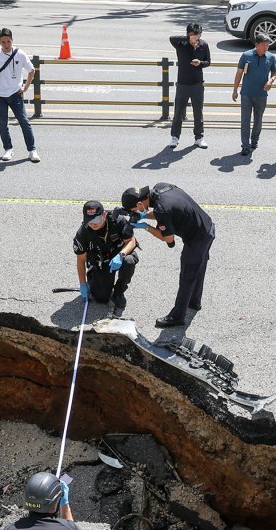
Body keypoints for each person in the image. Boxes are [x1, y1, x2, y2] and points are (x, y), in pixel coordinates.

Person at [122, 183, 215, 329]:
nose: (135, 213)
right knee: (199, 266)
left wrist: (146, 226)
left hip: (197, 238)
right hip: (206, 225)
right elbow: (166, 212)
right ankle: (193, 301)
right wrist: (144, 214)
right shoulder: (161, 188)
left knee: (187, 274)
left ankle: (177, 316)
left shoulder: (161, 210)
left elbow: (169, 239)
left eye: (134, 210)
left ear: (140, 203)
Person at [0, 28, 39, 163]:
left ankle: (32, 150)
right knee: (2, 123)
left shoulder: (20, 54)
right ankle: (8, 149)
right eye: (3, 42)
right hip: (0, 95)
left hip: (15, 94)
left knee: (24, 121)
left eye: (8, 41)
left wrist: (25, 87)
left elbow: (31, 70)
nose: (6, 45)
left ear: (12, 40)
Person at [73, 200, 139, 312]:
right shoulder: (83, 233)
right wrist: (82, 283)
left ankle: (119, 292)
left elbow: (131, 241)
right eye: (90, 221)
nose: (93, 224)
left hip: (119, 254)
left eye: (96, 221)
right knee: (101, 297)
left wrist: (121, 255)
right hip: (101, 260)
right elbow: (81, 260)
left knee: (129, 261)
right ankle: (93, 275)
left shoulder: (117, 220)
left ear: (103, 215)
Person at [232, 32, 276, 157]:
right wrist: (235, 90)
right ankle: (245, 146)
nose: (266, 48)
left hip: (262, 94)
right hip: (246, 94)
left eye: (267, 45)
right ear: (256, 45)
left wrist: (271, 81)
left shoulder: (271, 57)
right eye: (263, 45)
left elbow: (274, 72)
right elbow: (239, 74)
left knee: (258, 120)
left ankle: (254, 140)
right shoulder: (246, 55)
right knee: (245, 120)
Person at [168, 23, 210, 149]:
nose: (197, 37)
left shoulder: (204, 45)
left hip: (197, 84)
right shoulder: (181, 44)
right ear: (189, 35)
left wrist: (200, 63)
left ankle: (199, 137)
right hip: (182, 84)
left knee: (198, 112)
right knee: (178, 112)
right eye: (194, 35)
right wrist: (188, 39)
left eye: (199, 34)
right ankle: (175, 137)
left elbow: (209, 62)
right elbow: (171, 38)